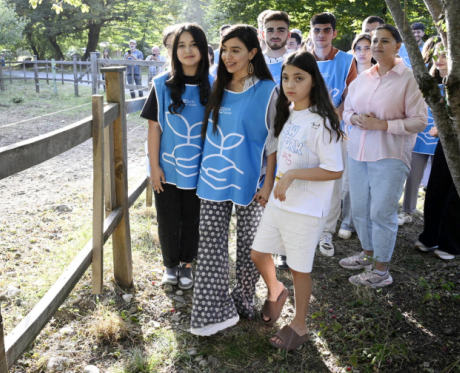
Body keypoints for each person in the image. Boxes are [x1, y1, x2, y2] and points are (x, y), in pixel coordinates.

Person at [250, 51, 344, 350]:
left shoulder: (322, 123)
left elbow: (334, 169)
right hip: (279, 203)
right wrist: (269, 184)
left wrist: (291, 177)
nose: (290, 84)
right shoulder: (288, 112)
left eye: (299, 78)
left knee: (299, 269)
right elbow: (275, 150)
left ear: (313, 82)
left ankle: (300, 325)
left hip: (306, 210)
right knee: (258, 253)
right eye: (286, 77)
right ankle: (276, 291)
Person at [190, 25, 278, 336]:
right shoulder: (216, 85)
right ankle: (212, 311)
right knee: (211, 246)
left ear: (253, 52)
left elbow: (273, 141)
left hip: (252, 182)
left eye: (236, 50)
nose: (228, 56)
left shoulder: (268, 90)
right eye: (225, 49)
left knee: (249, 246)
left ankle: (243, 300)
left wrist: (268, 185)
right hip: (212, 179)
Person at [339, 24, 427, 288]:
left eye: (384, 40)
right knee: (361, 209)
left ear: (398, 46)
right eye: (374, 40)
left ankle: (381, 271)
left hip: (389, 155)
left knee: (381, 212)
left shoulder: (409, 79)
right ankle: (367, 254)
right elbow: (346, 111)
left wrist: (383, 125)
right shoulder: (363, 77)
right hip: (357, 153)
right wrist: (354, 117)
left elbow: (420, 121)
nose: (377, 45)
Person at [141, 24, 212, 289]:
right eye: (181, 45)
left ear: (203, 48)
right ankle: (170, 266)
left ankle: (187, 265)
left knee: (193, 219)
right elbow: (154, 128)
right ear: (174, 50)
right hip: (168, 169)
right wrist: (154, 166)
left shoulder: (215, 85)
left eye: (193, 44)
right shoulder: (161, 85)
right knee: (168, 217)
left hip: (202, 169)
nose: (188, 50)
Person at [415, 38, 460, 260]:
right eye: (436, 55)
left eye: (444, 55)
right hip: (444, 143)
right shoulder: (440, 84)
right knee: (436, 189)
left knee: (458, 194)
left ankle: (453, 245)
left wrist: (446, 127)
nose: (439, 60)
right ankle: (431, 237)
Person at [310, 12, 357, 257]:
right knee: (302, 179)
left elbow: (351, 96)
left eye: (326, 30)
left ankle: (327, 231)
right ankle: (304, 229)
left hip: (335, 130)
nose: (321, 34)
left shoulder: (347, 61)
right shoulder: (301, 58)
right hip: (305, 130)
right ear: (311, 32)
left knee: (332, 182)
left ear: (334, 33)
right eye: (317, 30)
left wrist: (334, 116)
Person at [398, 36, 441, 225]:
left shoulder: (454, 80)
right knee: (413, 175)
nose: (438, 59)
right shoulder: (422, 78)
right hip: (421, 135)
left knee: (439, 179)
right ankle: (407, 211)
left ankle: (434, 216)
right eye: (434, 54)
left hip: (442, 137)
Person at [338, 32, 375, 240]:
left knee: (365, 180)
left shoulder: (380, 74)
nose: (362, 52)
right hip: (346, 131)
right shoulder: (346, 72)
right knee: (346, 180)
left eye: (367, 47)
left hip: (370, 133)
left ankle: (354, 221)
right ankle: (344, 219)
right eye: (358, 48)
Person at [261, 10, 291, 84]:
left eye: (281, 30)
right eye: (270, 30)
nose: (275, 35)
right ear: (263, 34)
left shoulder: (298, 61)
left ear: (288, 35)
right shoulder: (254, 62)